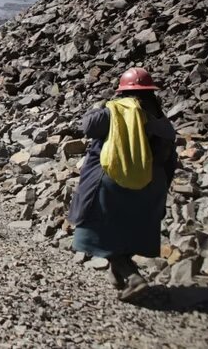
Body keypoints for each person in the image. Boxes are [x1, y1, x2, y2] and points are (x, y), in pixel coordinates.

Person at [68, 67, 178, 301]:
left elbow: (88, 126)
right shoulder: (161, 119)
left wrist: (99, 106)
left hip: (113, 180)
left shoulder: (115, 110)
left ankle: (132, 276)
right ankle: (118, 276)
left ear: (122, 91)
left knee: (103, 230)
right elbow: (171, 158)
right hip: (151, 183)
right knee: (128, 230)